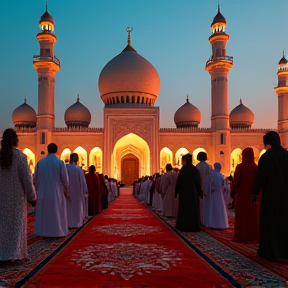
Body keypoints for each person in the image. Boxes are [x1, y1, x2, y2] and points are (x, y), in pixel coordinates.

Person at [0, 129, 37, 261]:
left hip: (2, 200)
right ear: (16, 140)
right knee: (16, 227)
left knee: (2, 226)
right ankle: (13, 254)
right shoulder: (20, 157)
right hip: (16, 199)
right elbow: (27, 179)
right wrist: (32, 197)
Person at [253, 131, 288, 260]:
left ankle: (270, 251)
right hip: (285, 196)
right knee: (284, 221)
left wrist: (254, 192)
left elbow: (260, 177)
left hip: (271, 196)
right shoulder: (286, 155)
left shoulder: (267, 157)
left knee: (271, 223)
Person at [34, 143, 69, 237]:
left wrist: (39, 189)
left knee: (44, 212)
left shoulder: (40, 163)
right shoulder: (60, 163)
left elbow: (35, 179)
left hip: (43, 192)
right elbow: (65, 180)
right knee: (56, 212)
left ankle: (43, 231)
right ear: (56, 150)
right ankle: (57, 231)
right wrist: (66, 191)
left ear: (47, 150)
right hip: (56, 192)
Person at [231, 147, 259, 242]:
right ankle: (253, 236)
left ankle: (241, 236)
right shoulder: (256, 167)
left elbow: (235, 181)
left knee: (242, 215)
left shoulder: (240, 167)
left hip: (243, 194)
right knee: (252, 215)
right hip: (252, 195)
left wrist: (233, 191)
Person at [175, 153, 203, 232]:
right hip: (193, 193)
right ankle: (194, 226)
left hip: (184, 193)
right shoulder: (194, 169)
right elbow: (198, 182)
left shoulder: (183, 169)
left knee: (184, 209)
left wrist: (176, 191)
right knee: (193, 209)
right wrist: (200, 192)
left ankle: (183, 226)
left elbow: (179, 182)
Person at [66, 153, 88, 228]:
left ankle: (67, 223)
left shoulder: (65, 168)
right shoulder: (78, 170)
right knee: (76, 209)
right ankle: (76, 223)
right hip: (77, 192)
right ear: (77, 160)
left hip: (66, 192)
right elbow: (83, 182)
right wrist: (85, 191)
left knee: (68, 209)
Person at [207, 162, 229, 229]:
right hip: (219, 193)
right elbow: (223, 185)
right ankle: (220, 223)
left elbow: (210, 184)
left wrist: (212, 189)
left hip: (213, 193)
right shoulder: (220, 175)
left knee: (213, 207)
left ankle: (213, 223)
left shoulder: (212, 175)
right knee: (219, 208)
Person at [196, 151, 212, 224]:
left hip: (199, 187)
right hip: (208, 188)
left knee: (200, 205)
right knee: (208, 204)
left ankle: (201, 219)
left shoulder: (197, 166)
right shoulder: (209, 166)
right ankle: (207, 219)